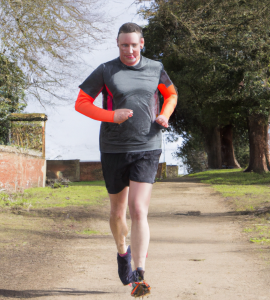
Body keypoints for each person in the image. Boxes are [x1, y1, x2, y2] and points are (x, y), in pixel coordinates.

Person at [75, 22, 177, 298]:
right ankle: (123, 251)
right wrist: (112, 116)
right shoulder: (106, 70)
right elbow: (81, 102)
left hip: (148, 145)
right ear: (118, 45)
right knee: (117, 213)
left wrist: (165, 115)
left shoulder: (155, 68)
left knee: (138, 209)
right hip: (113, 148)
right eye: (124, 45)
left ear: (142, 44)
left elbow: (171, 94)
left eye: (134, 44)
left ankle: (139, 273)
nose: (129, 50)